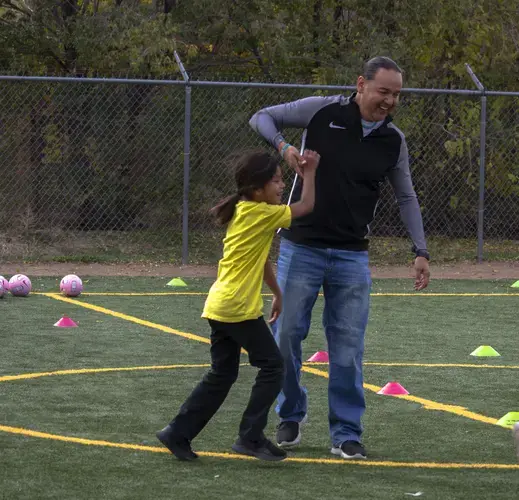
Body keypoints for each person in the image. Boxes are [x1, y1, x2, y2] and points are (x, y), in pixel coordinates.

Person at [249, 56, 431, 460]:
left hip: (351, 256)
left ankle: (346, 432)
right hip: (301, 247)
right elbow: (261, 117)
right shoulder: (322, 111)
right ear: (361, 84)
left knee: (347, 348)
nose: (389, 101)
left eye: (397, 95)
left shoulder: (393, 141)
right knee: (286, 340)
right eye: (383, 91)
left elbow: (406, 196)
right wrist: (285, 148)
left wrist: (420, 250)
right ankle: (290, 414)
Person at [156, 148, 320, 461]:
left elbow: (260, 260)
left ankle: (177, 433)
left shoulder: (246, 210)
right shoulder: (261, 212)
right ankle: (250, 436)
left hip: (219, 305)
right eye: (276, 181)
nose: (281, 186)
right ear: (257, 189)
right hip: (236, 308)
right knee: (273, 366)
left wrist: (277, 292)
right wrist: (309, 172)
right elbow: (307, 205)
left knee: (222, 373)